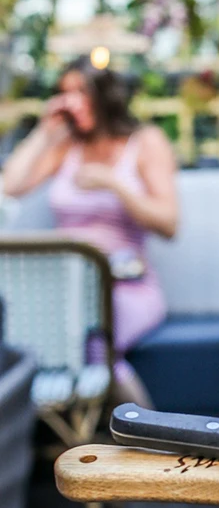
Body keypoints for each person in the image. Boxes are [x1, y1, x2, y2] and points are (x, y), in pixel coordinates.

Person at [1, 56, 179, 405]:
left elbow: (169, 223)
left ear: (104, 96)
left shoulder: (145, 142)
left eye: (79, 92)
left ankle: (146, 435)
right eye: (64, 92)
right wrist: (43, 132)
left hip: (126, 287)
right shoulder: (68, 147)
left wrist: (115, 185)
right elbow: (10, 185)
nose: (70, 100)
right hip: (67, 290)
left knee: (93, 340)